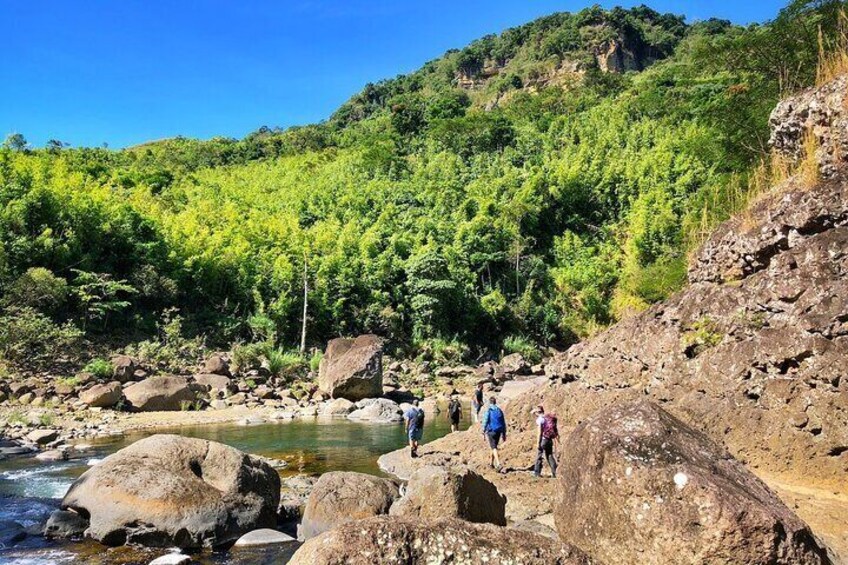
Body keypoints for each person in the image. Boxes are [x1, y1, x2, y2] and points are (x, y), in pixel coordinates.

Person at [481, 396, 507, 471]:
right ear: (495, 402)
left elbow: (485, 421)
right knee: (493, 446)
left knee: (494, 447)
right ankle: (491, 463)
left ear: (490, 402)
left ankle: (498, 464)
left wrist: (483, 431)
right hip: (498, 430)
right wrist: (504, 433)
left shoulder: (489, 410)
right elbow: (503, 423)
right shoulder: (499, 410)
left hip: (491, 431)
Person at [533, 405, 559, 478]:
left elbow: (539, 432)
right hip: (549, 440)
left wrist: (538, 442)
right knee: (549, 455)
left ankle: (537, 473)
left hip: (543, 440)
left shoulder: (540, 419)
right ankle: (555, 473)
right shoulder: (547, 418)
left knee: (539, 455)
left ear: (537, 412)